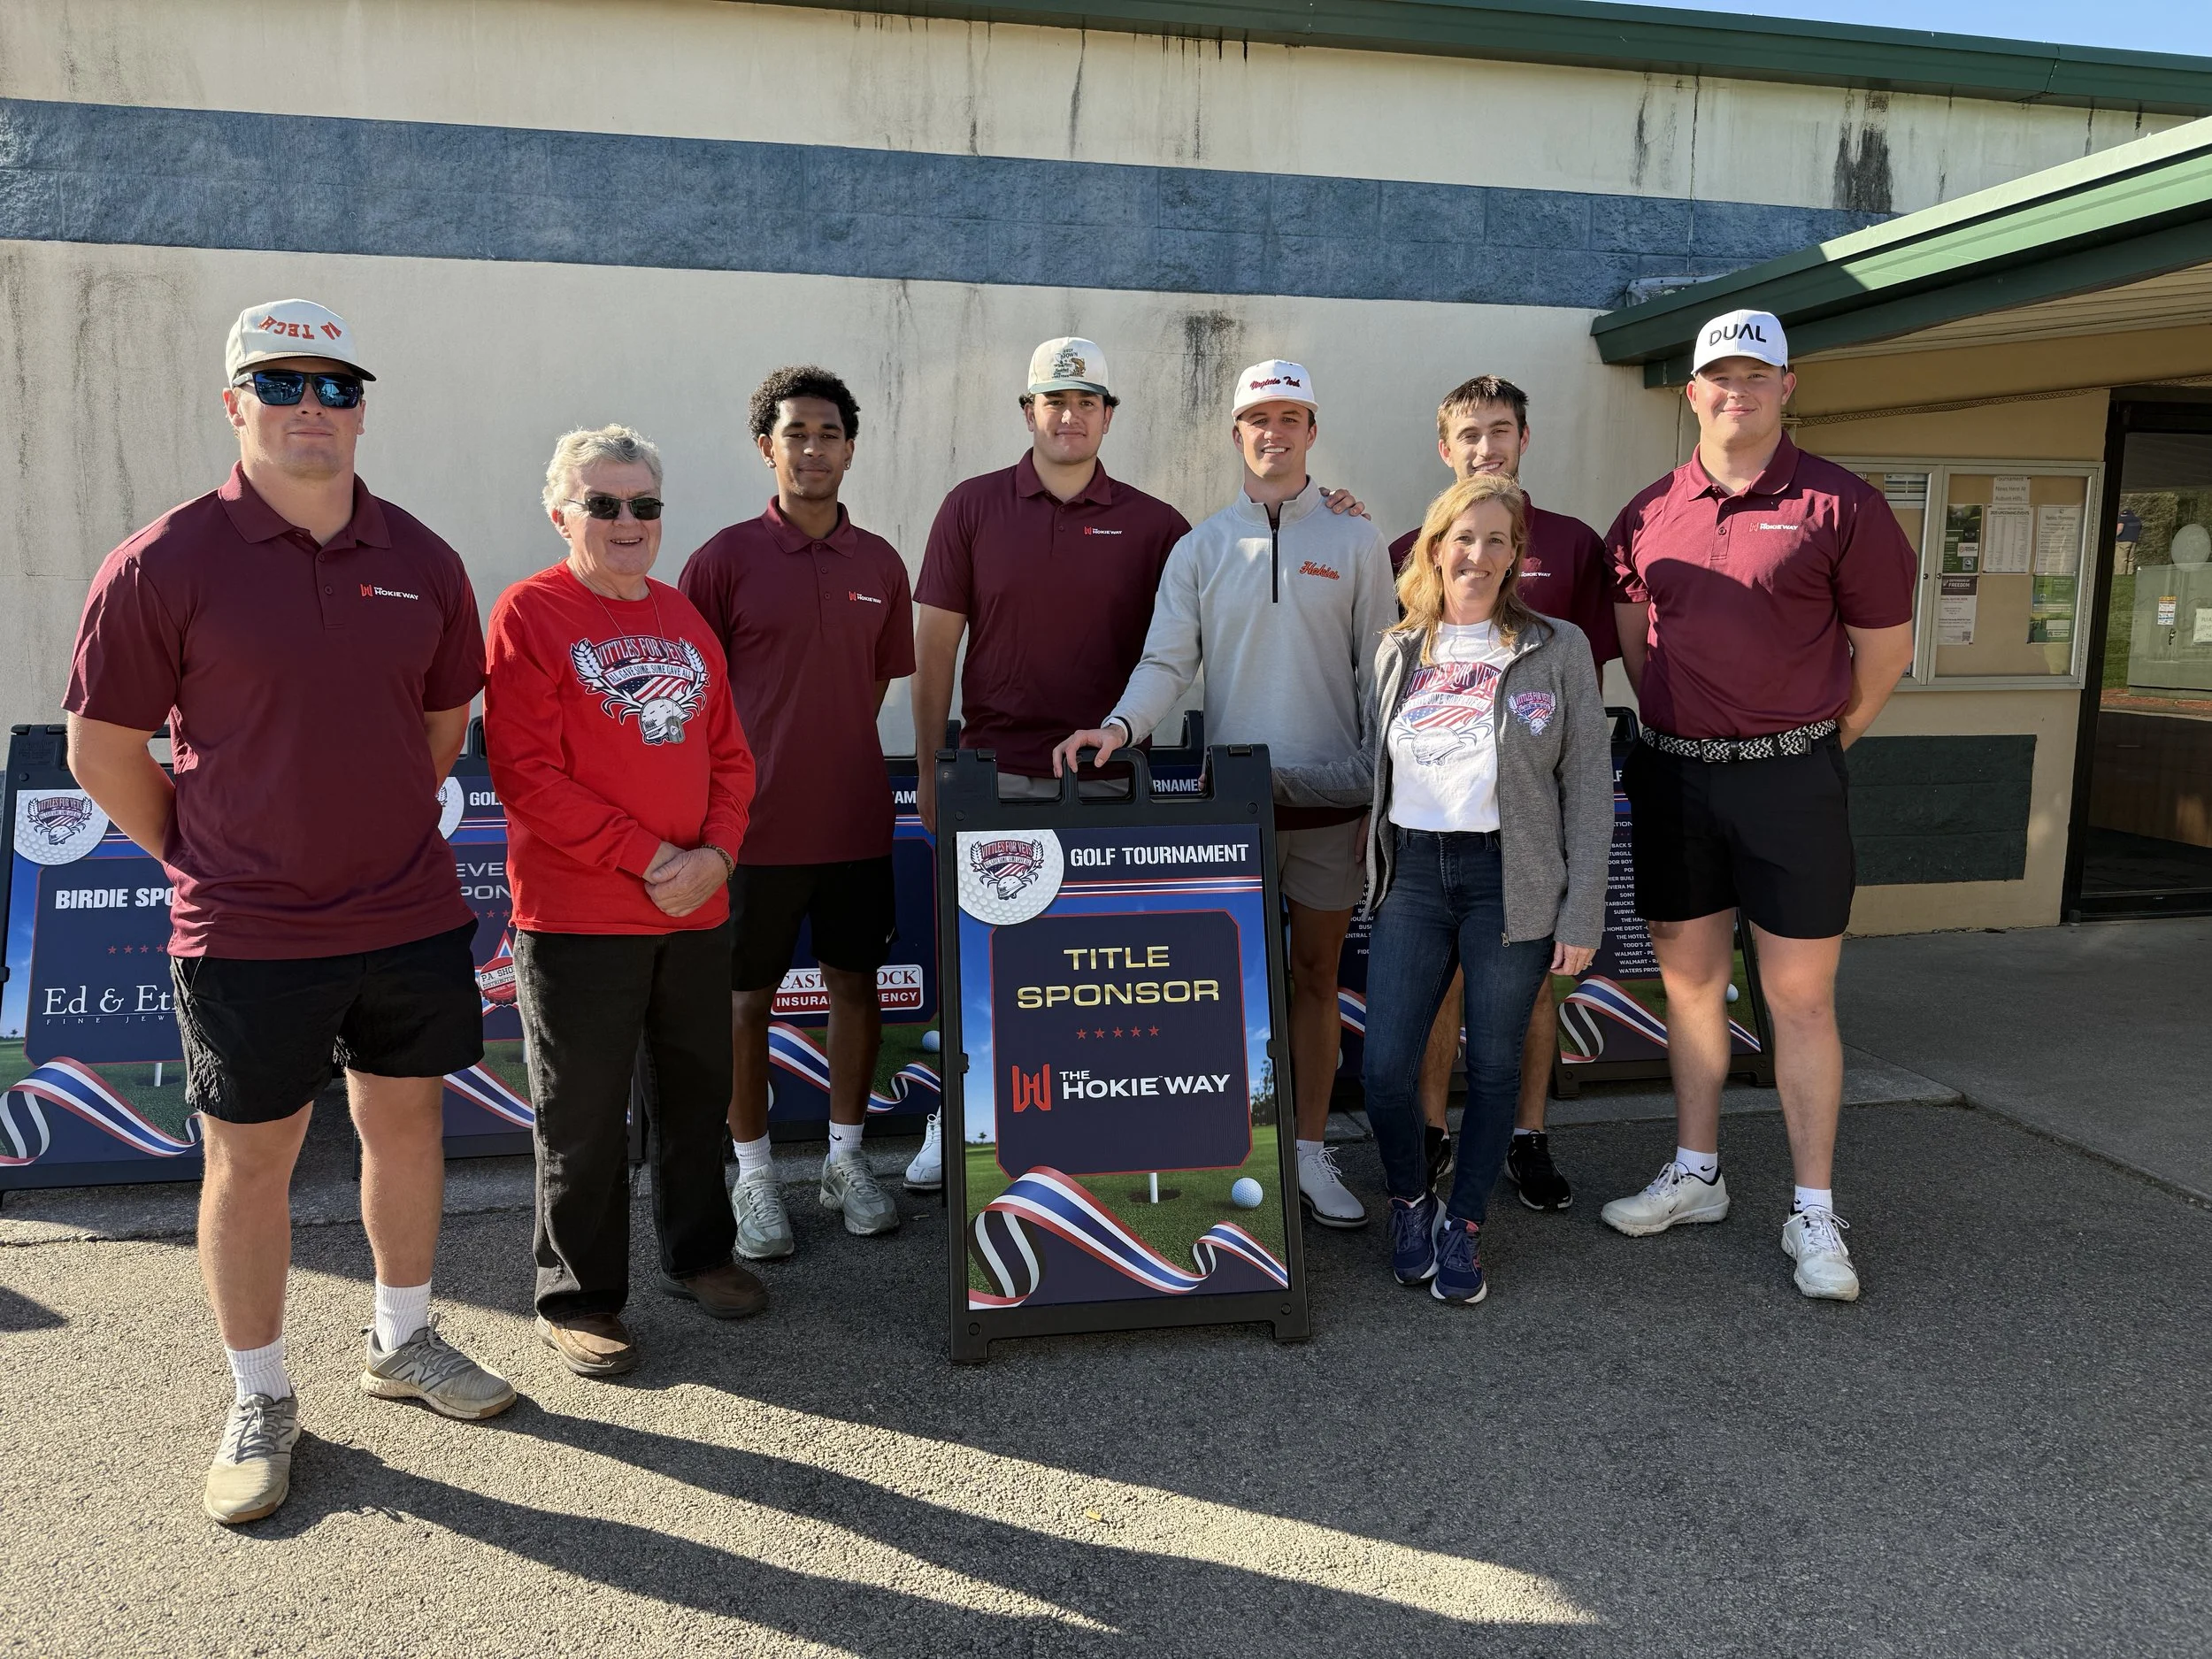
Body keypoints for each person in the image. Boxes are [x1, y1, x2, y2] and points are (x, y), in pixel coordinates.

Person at [64, 299, 515, 1526]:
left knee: (404, 1127)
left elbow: (439, 727)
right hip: (249, 929)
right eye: (281, 382)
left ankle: (404, 1339)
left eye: (334, 382)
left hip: (408, 909)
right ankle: (261, 1396)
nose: (310, 404)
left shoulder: (421, 557)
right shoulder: (163, 561)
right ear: (235, 404)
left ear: (363, 403)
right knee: (249, 1163)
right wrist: (204, 849)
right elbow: (101, 748)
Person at [1599, 310, 1916, 1302]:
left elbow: (1887, 655)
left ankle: (1813, 1212)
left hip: (1791, 781)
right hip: (1675, 775)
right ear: (1690, 393)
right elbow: (1639, 650)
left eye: (1755, 373)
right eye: (1717, 376)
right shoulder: (1647, 512)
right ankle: (1697, 1175)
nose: (1735, 390)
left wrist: (1811, 745)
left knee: (1799, 1000)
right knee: (1690, 991)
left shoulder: (1843, 504)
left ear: (1788, 387)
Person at [1054, 359, 1394, 1229]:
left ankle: (1311, 1154)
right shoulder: (1200, 546)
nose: (1272, 432)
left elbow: (1379, 675)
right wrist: (1120, 730)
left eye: (1290, 416)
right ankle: (1231, 1151)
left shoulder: (1357, 540)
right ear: (1236, 433)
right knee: (1232, 988)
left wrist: (1380, 790)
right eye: (1257, 419)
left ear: (1311, 430)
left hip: (1331, 804)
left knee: (1316, 977)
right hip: (1231, 807)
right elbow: (1166, 663)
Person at [485, 426, 763, 1379]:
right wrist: (651, 858)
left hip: (695, 910)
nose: (625, 521)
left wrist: (718, 854)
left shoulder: (683, 616)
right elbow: (525, 773)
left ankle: (700, 1255)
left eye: (642, 504)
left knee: (696, 1099)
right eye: (601, 503)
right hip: (578, 919)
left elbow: (730, 753)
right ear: (561, 511)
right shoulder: (530, 612)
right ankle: (581, 1296)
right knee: (586, 1117)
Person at [1351, 475, 1609, 1302]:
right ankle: (1409, 1197)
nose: (1480, 552)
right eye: (1465, 536)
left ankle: (1462, 1223)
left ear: (1515, 557)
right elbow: (1364, 770)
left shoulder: (1554, 646)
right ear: (1434, 547)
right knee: (1387, 1066)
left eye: (1499, 539)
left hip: (1513, 879)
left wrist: (1582, 909)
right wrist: (1255, 775)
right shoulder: (1400, 649)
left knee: (1495, 1065)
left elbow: (1590, 788)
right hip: (1415, 875)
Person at [680, 367, 914, 1257]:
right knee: (745, 1003)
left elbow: (877, 680)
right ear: (766, 448)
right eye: (796, 433)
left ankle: (846, 1162)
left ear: (850, 449)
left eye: (828, 433)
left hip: (854, 821)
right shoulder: (722, 560)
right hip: (749, 832)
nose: (812, 448)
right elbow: (691, 695)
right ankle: (754, 1178)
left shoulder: (880, 563)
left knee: (857, 990)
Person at [1386, 376, 1620, 1214]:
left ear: (1526, 438)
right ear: (1445, 449)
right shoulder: (1412, 545)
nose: (1487, 447)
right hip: (1439, 824)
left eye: (1501, 431)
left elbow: (1595, 668)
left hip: (1533, 812)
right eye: (1470, 435)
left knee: (1527, 995)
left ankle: (1528, 1134)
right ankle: (1432, 1132)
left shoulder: (1574, 541)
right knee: (1444, 991)